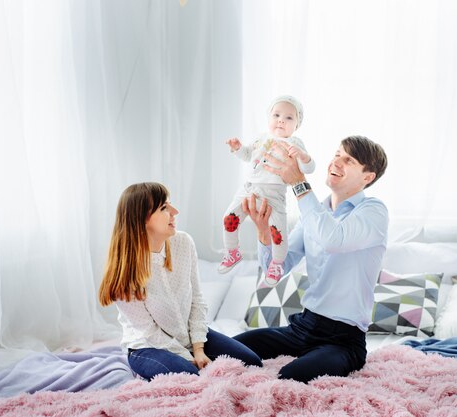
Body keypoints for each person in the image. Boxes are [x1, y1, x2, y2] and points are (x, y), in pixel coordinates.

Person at [233, 135, 388, 383]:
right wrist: (263, 234)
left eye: (348, 160)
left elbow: (332, 239)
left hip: (343, 340)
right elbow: (276, 268)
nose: (336, 162)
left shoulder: (373, 212)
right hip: (303, 326)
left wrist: (298, 182)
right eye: (337, 155)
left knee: (291, 377)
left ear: (367, 177)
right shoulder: (313, 213)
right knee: (230, 350)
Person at [98, 182, 262, 380]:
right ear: (142, 219)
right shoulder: (125, 271)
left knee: (253, 363)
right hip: (149, 345)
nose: (175, 212)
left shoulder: (183, 243)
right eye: (164, 208)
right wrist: (188, 357)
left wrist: (198, 348)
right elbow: (149, 331)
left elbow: (197, 300)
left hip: (190, 336)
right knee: (190, 377)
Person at [218, 95, 315, 287]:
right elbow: (248, 155)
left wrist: (303, 156)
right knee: (229, 218)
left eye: (289, 118)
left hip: (274, 193)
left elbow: (309, 168)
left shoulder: (295, 143)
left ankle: (276, 265)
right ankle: (232, 251)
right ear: (269, 118)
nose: (281, 120)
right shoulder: (261, 138)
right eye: (276, 115)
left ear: (297, 125)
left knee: (277, 232)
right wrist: (237, 149)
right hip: (249, 188)